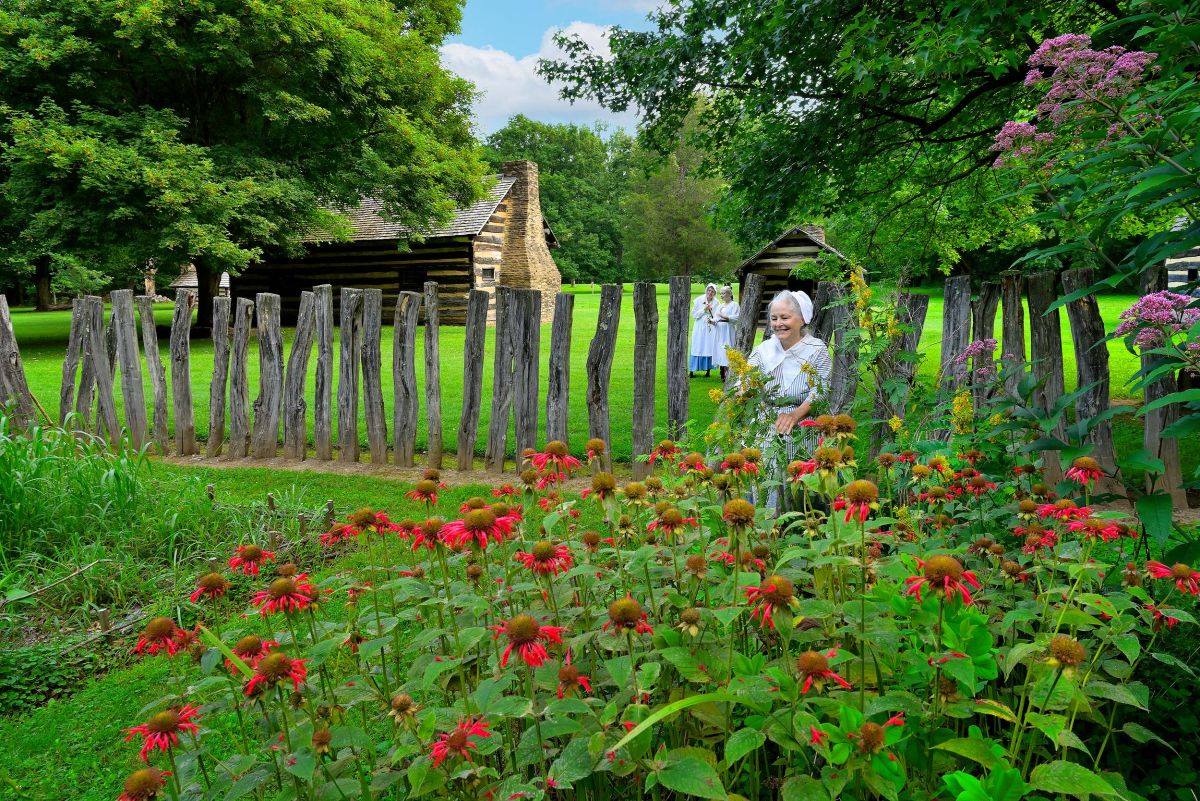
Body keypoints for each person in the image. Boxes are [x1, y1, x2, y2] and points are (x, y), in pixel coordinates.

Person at [747, 290, 833, 466]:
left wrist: (794, 415)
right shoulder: (763, 350)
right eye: (774, 318)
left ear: (802, 319)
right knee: (767, 482)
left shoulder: (816, 350)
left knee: (798, 482)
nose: (778, 324)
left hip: (803, 430)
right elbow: (746, 377)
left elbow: (820, 391)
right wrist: (744, 388)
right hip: (767, 428)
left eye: (784, 317)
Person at [689, 283, 719, 377]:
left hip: (710, 329)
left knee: (708, 346)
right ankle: (692, 371)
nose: (710, 293)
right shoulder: (699, 300)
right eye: (709, 290)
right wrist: (704, 310)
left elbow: (716, 316)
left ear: (714, 293)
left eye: (712, 291)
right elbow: (694, 315)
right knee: (697, 345)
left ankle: (708, 371)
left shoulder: (716, 303)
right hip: (699, 327)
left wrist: (712, 321)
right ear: (706, 291)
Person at [712, 285, 740, 381]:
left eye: (723, 293)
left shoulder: (734, 305)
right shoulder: (720, 306)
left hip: (728, 330)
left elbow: (736, 318)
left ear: (729, 294)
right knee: (720, 349)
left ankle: (730, 372)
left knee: (728, 348)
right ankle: (723, 372)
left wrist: (724, 316)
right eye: (721, 294)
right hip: (720, 330)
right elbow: (716, 317)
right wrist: (712, 321)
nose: (721, 296)